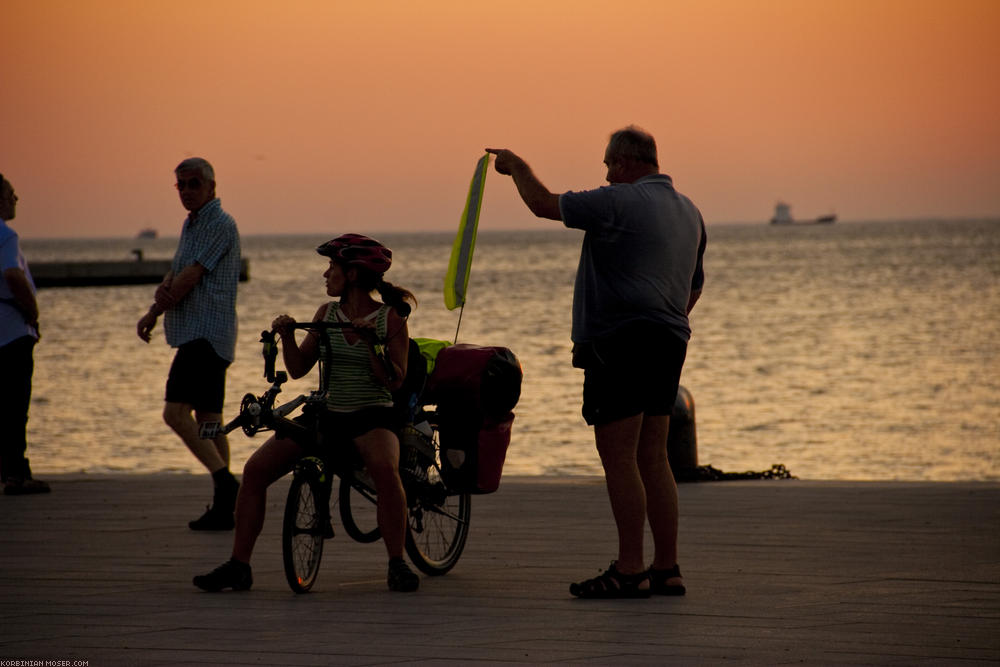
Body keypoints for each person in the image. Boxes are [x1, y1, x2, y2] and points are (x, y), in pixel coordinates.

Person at [486, 126, 706, 598]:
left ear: (624, 162)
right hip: (670, 340)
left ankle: (630, 570)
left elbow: (544, 203)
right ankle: (667, 568)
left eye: (608, 165)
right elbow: (695, 283)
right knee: (654, 456)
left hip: (620, 342)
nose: (605, 175)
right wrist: (664, 316)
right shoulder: (690, 212)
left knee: (619, 456)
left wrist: (516, 167)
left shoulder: (616, 201)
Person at [193, 233, 421, 593]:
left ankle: (397, 563)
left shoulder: (390, 319)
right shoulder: (325, 314)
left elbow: (394, 382)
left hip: (373, 414)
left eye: (332, 267)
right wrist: (286, 335)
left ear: (354, 275)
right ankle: (239, 565)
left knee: (384, 469)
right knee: (254, 471)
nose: (325, 275)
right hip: (329, 413)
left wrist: (369, 345)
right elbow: (298, 368)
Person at [136, 158, 241, 530]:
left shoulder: (219, 224)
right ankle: (226, 509)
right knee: (210, 421)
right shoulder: (192, 224)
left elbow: (190, 277)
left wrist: (157, 309)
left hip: (204, 334)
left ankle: (226, 485)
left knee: (174, 413)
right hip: (205, 335)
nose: (186, 190)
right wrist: (154, 310)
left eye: (194, 183)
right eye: (180, 185)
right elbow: (176, 271)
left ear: (211, 186)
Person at [0, 173, 50, 496]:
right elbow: (13, 275)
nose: (16, 200)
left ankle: (11, 469)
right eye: (11, 194)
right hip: (12, 332)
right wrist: (32, 313)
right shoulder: (6, 235)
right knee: (16, 404)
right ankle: (16, 474)